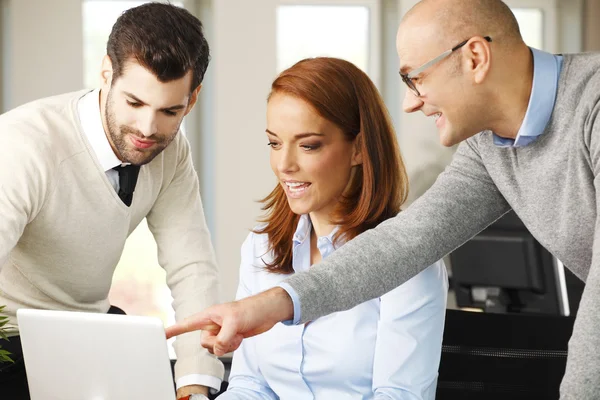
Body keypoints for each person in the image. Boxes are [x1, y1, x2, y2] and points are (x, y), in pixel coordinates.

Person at [166, 0, 600, 398]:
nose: (410, 103)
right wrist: (272, 304)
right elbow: (406, 243)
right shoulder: (489, 149)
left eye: (416, 78)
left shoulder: (592, 105)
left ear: (474, 58)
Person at [0, 3, 222, 399]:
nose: (148, 129)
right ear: (106, 73)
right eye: (134, 103)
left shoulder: (171, 152)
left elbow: (192, 268)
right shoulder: (23, 144)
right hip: (10, 338)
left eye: (170, 110)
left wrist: (195, 384)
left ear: (193, 99)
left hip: (91, 330)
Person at [217, 57, 448, 399]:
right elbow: (251, 385)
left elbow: (398, 395)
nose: (284, 165)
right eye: (274, 143)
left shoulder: (409, 260)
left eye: (308, 145)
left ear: (358, 148)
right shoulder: (261, 247)